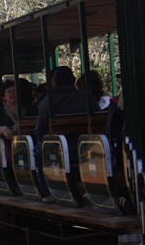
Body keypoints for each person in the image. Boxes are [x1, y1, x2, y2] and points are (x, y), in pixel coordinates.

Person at [34, 66, 98, 202]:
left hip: (58, 152)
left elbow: (39, 132)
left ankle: (47, 193)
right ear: (73, 80)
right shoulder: (86, 97)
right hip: (89, 149)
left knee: (38, 150)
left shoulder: (46, 103)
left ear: (53, 82)